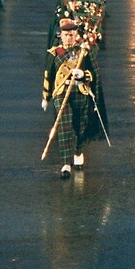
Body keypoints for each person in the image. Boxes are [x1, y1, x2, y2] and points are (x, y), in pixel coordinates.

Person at [42, 20, 108, 178]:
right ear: (61, 35)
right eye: (65, 35)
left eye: (71, 35)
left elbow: (94, 74)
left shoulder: (85, 51)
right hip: (61, 92)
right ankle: (65, 163)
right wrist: (45, 97)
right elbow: (48, 75)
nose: (68, 38)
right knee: (64, 125)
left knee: (80, 125)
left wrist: (83, 75)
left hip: (80, 91)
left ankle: (78, 151)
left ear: (76, 35)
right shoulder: (54, 53)